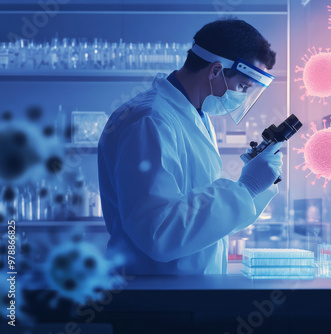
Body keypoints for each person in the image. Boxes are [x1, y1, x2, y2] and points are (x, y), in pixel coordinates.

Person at [98, 18, 283, 275]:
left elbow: (206, 222)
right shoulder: (150, 119)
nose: (241, 97)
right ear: (216, 71)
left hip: (187, 289)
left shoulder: (195, 115)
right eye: (242, 86)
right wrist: (244, 188)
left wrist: (255, 189)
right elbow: (158, 233)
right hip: (154, 295)